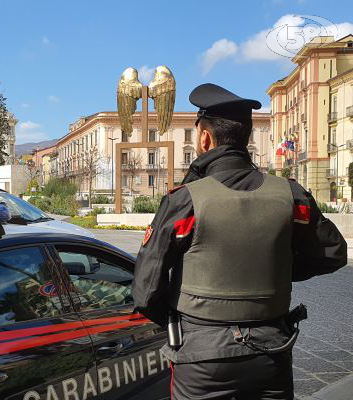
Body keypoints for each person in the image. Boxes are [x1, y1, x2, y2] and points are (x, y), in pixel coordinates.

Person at [133, 83, 348, 399]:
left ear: (205, 138)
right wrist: (276, 267)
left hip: (202, 361)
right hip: (272, 353)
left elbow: (145, 291)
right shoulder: (291, 196)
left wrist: (186, 323)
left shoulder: (184, 201)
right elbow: (333, 253)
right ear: (246, 137)